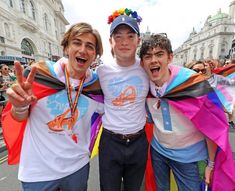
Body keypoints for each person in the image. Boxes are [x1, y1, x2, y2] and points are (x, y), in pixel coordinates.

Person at [2, 22, 103, 191]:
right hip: (38, 174)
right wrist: (19, 107)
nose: (83, 50)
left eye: (90, 46)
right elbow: (19, 116)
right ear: (66, 48)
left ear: (95, 55)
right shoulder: (39, 74)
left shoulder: (96, 86)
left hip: (78, 169)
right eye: (77, 43)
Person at [139, 34, 235, 191]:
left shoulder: (193, 84)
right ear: (142, 63)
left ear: (170, 57)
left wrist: (211, 163)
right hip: (158, 152)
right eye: (148, 56)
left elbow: (213, 128)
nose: (154, 60)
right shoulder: (144, 85)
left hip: (189, 158)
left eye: (159, 54)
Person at [96, 8, 149, 191]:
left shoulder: (148, 69)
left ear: (138, 41)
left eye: (130, 36)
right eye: (118, 36)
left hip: (139, 142)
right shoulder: (100, 72)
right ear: (110, 41)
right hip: (110, 143)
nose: (124, 42)